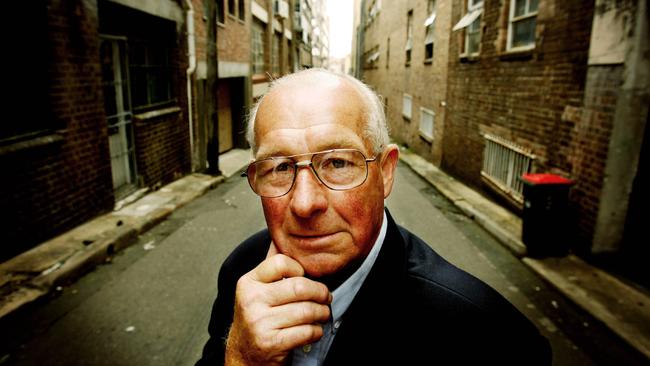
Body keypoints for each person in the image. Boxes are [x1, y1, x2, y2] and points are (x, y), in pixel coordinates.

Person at [196, 69, 551, 365]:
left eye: (337, 163)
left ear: (385, 173)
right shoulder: (242, 273)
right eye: (280, 167)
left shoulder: (484, 334)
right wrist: (240, 357)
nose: (304, 203)